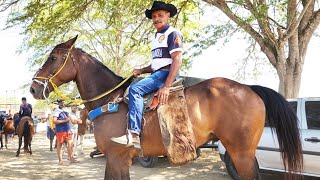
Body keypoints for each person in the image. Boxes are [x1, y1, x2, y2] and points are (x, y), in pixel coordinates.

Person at [111, 1, 183, 149]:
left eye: (160, 15)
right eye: (154, 16)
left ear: (168, 15)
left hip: (165, 74)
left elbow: (177, 59)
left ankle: (135, 134)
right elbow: (157, 64)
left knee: (135, 90)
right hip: (158, 73)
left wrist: (166, 87)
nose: (157, 19)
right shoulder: (157, 36)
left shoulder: (173, 33)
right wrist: (141, 70)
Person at [52, 99, 78, 165]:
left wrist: (77, 121)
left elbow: (70, 119)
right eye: (60, 102)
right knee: (60, 145)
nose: (62, 103)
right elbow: (54, 121)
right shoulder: (56, 111)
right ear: (58, 103)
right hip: (60, 130)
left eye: (63, 102)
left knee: (70, 144)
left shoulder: (66, 110)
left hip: (68, 129)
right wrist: (64, 121)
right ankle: (60, 160)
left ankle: (71, 158)